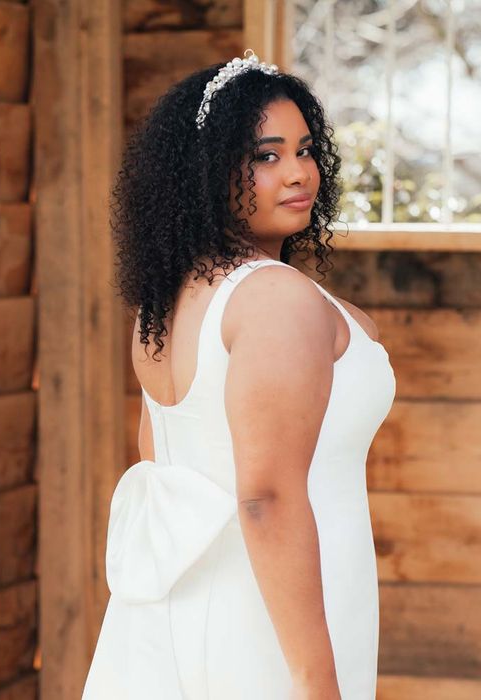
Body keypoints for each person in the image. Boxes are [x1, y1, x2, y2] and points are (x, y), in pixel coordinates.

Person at [82, 49, 396, 700]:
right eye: (265, 156)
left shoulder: (167, 299)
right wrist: (316, 682)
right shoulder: (274, 298)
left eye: (305, 150)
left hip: (180, 609)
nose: (298, 172)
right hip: (270, 627)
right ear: (207, 171)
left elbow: (159, 464)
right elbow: (266, 498)